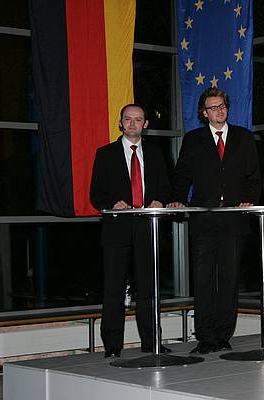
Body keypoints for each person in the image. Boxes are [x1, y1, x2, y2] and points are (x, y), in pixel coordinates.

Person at [168, 87, 260, 354]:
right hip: (204, 220)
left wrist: (249, 200)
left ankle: (223, 335)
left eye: (222, 106)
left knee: (229, 279)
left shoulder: (244, 137)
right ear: (204, 113)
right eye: (213, 107)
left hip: (234, 219)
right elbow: (182, 175)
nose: (219, 111)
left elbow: (254, 176)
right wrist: (177, 200)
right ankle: (205, 337)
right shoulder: (193, 139)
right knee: (203, 280)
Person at [90, 104, 171, 357]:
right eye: (128, 119)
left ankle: (152, 342)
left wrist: (160, 200)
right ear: (120, 123)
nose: (133, 123)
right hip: (117, 228)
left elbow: (166, 188)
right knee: (114, 289)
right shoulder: (105, 154)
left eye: (138, 119)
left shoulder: (157, 154)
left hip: (148, 228)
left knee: (148, 289)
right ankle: (113, 346)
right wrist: (112, 202)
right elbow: (96, 193)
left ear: (146, 124)